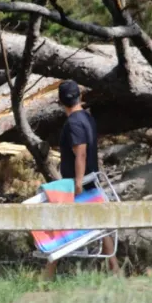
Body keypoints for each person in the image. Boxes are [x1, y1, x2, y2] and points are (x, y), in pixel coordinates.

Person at [41, 80, 121, 281]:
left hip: (80, 183)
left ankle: (47, 276)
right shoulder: (87, 118)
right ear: (80, 97)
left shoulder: (74, 123)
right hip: (90, 179)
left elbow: (81, 154)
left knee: (61, 224)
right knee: (98, 226)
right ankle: (116, 271)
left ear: (60, 102)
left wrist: (77, 183)